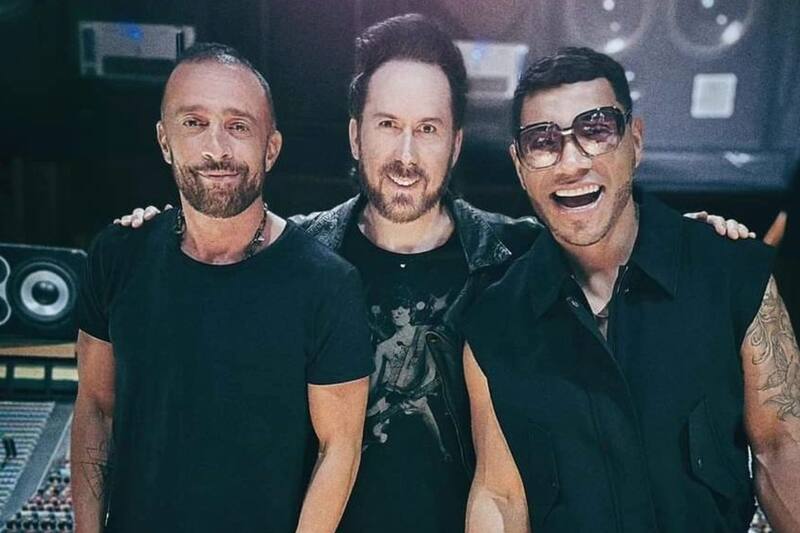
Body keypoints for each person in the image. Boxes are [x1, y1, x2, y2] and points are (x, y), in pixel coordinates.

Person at [115, 15, 754, 532]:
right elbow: (203, 253)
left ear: (455, 144)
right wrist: (154, 227)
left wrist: (695, 233)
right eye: (387, 125)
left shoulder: (520, 257)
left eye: (427, 129)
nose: (405, 154)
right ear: (355, 136)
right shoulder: (290, 256)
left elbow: (613, 235)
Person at [463, 47, 800, 532]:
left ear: (635, 142)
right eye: (543, 142)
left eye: (595, 131)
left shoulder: (730, 273)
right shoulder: (494, 322)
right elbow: (500, 492)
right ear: (519, 164)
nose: (571, 162)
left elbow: (782, 448)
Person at [71, 43, 373, 533]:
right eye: (194, 123)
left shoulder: (328, 284)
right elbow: (95, 409)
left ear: (271, 148)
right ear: (164, 140)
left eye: (238, 126)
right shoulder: (117, 255)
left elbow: (338, 449)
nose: (217, 148)